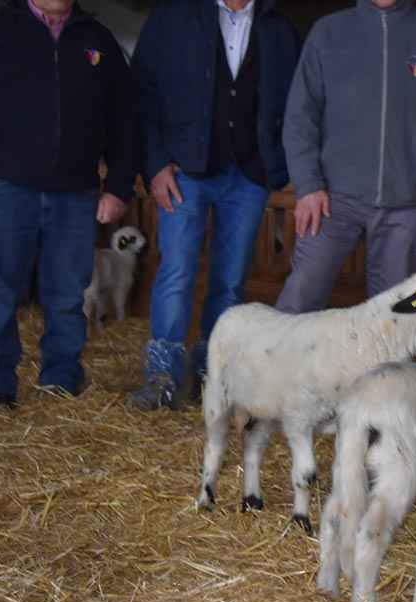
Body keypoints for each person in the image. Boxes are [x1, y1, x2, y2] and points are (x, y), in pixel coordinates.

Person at [274, 0, 416, 314]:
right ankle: (280, 363)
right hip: (331, 198)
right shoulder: (328, 32)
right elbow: (300, 117)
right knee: (299, 296)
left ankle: (384, 367)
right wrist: (307, 185)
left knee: (395, 316)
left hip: (406, 203)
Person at [128, 0, 301, 410]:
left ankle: (212, 374)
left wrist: (278, 164)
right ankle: (164, 376)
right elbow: (143, 94)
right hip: (183, 169)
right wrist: (154, 165)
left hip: (248, 175)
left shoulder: (279, 27)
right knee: (176, 272)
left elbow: (300, 102)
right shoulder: (172, 16)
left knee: (230, 281)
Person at [0, 0, 137, 407]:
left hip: (75, 192)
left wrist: (119, 186)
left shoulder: (96, 38)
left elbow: (124, 117)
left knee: (68, 293)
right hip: (3, 188)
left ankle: (61, 378)